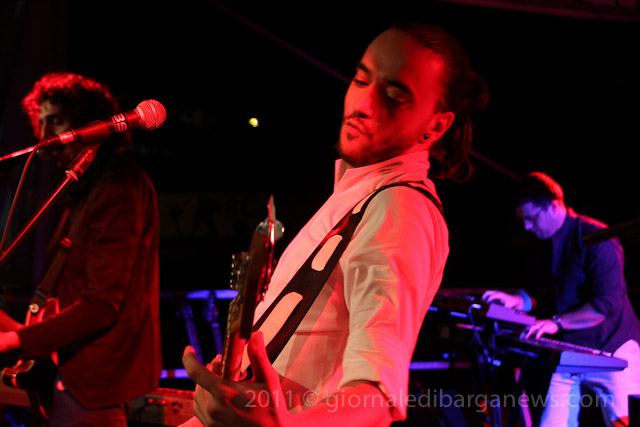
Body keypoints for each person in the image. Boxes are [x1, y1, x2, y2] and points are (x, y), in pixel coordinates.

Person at [180, 22, 489, 426]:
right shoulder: (361, 197)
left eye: (395, 96)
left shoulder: (398, 207)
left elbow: (377, 394)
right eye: (361, 80)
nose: (364, 103)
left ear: (436, 126)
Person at [0, 72, 162, 426]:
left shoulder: (117, 186)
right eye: (41, 123)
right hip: (74, 371)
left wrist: (13, 342)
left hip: (96, 381)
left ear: (87, 121)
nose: (45, 136)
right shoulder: (85, 187)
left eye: (56, 121)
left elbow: (101, 306)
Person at [482, 171, 640, 426]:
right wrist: (515, 301)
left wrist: (556, 323)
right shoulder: (541, 244)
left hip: (614, 350)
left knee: (627, 422)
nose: (527, 226)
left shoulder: (598, 238)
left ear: (553, 206)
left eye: (531, 218)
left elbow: (605, 305)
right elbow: (533, 293)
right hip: (570, 352)